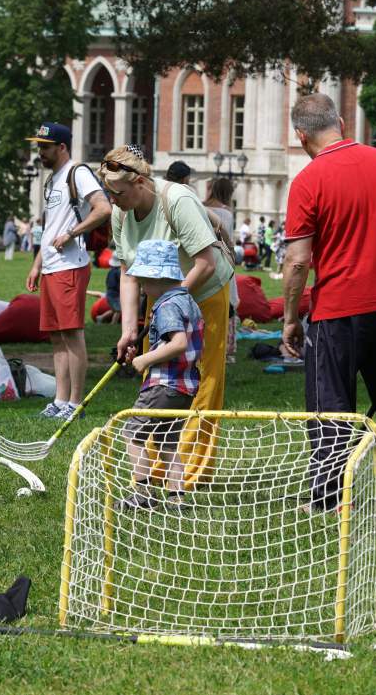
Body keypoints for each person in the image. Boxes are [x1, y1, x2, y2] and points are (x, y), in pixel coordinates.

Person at [280, 92, 376, 513]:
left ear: (300, 136)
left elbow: (297, 261)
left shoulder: (308, 181)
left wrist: (290, 319)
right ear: (342, 124)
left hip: (336, 310)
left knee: (330, 404)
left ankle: (331, 496)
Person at [102, 144, 234, 487]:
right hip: (162, 297)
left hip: (203, 290)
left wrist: (173, 304)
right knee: (161, 379)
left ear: (141, 183)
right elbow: (129, 271)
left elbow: (205, 261)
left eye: (117, 193)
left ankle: (190, 473)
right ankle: (157, 470)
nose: (112, 201)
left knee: (201, 380)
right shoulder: (120, 212)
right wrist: (129, 329)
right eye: (109, 193)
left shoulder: (177, 200)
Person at [25, 122, 112, 421]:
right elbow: (50, 227)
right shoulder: (53, 180)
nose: (40, 153)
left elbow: (103, 209)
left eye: (45, 147)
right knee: (57, 337)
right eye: (38, 147)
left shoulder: (79, 173)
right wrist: (37, 264)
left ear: (61, 147)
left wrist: (73, 233)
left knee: (72, 334)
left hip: (70, 266)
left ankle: (75, 404)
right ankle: (60, 401)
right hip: (51, 266)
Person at [116, 239, 204, 510]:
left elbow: (178, 343)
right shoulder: (188, 301)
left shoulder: (166, 306)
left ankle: (143, 494)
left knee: (133, 434)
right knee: (167, 440)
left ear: (157, 279)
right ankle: (177, 498)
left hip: (164, 384)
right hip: (186, 386)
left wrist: (145, 359)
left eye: (144, 282)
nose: (142, 288)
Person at [203, 177, 239, 361]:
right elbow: (229, 240)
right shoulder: (227, 213)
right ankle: (226, 348)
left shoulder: (201, 207)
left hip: (202, 259)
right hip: (223, 260)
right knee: (227, 306)